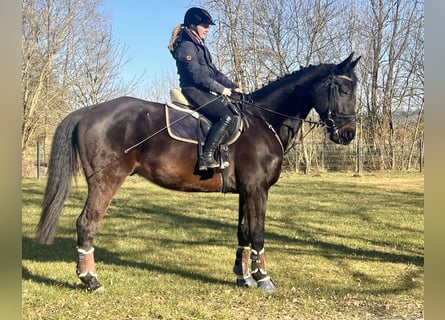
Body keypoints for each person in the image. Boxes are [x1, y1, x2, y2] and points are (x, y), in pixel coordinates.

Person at [168, 7, 243, 170]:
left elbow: (214, 73)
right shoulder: (186, 46)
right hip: (193, 90)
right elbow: (196, 76)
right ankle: (207, 157)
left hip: (203, 89)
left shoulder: (200, 46)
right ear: (193, 25)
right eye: (205, 25)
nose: (207, 29)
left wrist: (233, 87)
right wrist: (220, 89)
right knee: (226, 116)